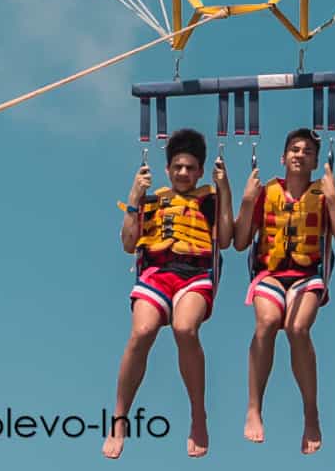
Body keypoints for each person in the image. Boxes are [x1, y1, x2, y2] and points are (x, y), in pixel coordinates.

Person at [103, 128, 233, 460]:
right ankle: (119, 418)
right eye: (178, 167)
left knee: (184, 328)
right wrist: (133, 198)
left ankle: (198, 415)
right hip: (156, 274)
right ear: (168, 169)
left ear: (200, 171)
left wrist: (225, 188)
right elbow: (128, 244)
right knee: (141, 332)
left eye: (190, 168)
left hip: (194, 274)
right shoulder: (152, 200)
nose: (184, 173)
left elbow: (228, 239)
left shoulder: (209, 201)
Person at [233, 128, 335, 455]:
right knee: (267, 324)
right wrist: (246, 202)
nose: (300, 154)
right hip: (270, 275)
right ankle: (254, 408)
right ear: (283, 157)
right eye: (294, 150)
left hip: (306, 276)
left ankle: (310, 413)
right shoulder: (266, 192)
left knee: (297, 328)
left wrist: (333, 198)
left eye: (307, 152)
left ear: (316, 162)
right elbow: (241, 241)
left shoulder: (322, 195)